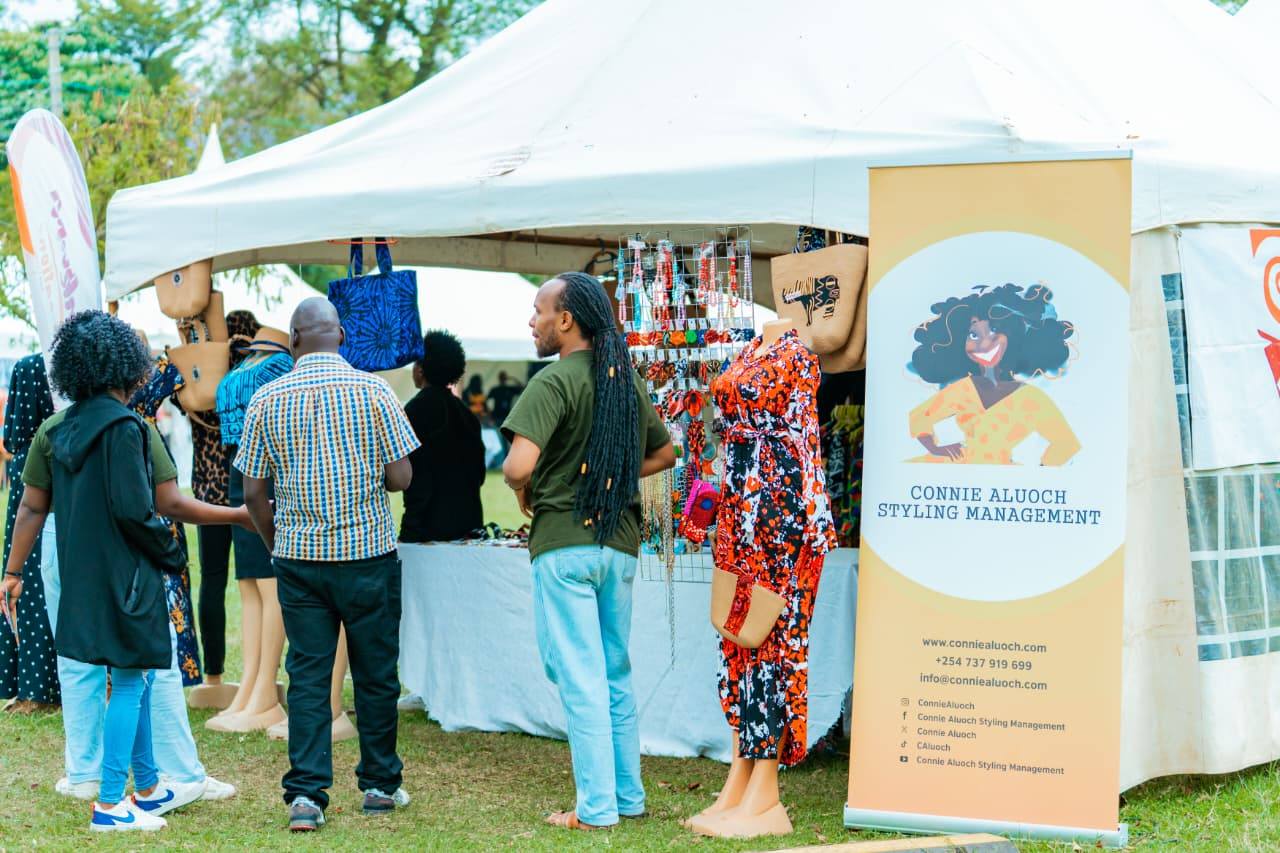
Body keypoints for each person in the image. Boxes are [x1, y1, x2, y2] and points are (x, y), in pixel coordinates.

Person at [0, 311, 209, 832]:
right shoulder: (127, 428)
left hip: (81, 575)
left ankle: (150, 786)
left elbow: (30, 507)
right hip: (128, 577)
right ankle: (112, 804)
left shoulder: (56, 429)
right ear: (125, 365)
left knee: (130, 677)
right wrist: (170, 553)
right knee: (133, 680)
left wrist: (12, 572)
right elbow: (136, 512)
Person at [236, 298, 420, 832]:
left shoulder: (267, 398)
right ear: (341, 335)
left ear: (294, 339)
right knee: (376, 673)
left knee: (309, 676)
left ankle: (306, 796)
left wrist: (277, 542)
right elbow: (402, 478)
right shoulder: (375, 390)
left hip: (299, 560)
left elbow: (253, 492)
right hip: (368, 556)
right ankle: (380, 785)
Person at [501, 272, 674, 831]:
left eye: (539, 311)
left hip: (564, 545)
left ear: (566, 319)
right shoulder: (625, 381)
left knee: (579, 676)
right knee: (614, 672)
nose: (533, 321)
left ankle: (596, 809)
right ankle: (627, 797)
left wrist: (529, 486)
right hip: (618, 546)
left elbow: (517, 467)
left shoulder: (553, 381)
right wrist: (609, 473)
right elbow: (665, 454)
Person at [400, 330, 485, 543]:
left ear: (420, 369)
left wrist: (410, 530)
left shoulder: (414, 411)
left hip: (428, 528)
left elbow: (416, 478)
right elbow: (479, 475)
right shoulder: (467, 415)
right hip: (470, 526)